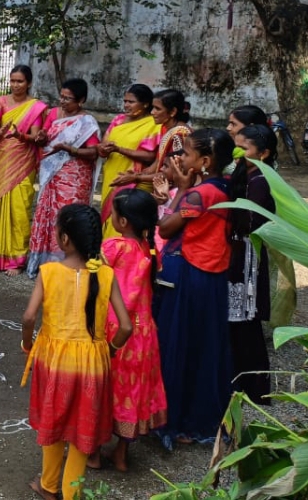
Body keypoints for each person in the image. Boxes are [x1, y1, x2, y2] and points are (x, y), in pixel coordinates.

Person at [20, 204, 132, 500]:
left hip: (54, 359)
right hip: (93, 361)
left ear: (65, 239)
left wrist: (27, 344)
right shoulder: (105, 274)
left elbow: (29, 317)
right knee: (83, 431)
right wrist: (107, 351)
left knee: (53, 420)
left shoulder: (50, 272)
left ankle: (48, 484)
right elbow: (126, 326)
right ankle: (72, 494)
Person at [153, 128, 233, 450]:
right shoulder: (222, 187)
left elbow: (166, 225)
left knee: (180, 343)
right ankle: (197, 418)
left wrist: (180, 190)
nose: (180, 158)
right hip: (212, 274)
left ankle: (182, 420)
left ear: (204, 161)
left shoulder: (199, 195)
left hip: (193, 274)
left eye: (185, 154)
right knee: (204, 346)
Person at [95, 189, 167, 472]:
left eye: (113, 213)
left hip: (115, 330)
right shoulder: (150, 250)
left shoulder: (113, 247)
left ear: (123, 221)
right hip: (144, 334)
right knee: (132, 391)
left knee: (105, 388)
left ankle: (94, 453)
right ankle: (121, 454)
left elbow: (94, 276)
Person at [25, 78, 100, 278]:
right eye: (62, 96)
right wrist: (41, 139)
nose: (63, 101)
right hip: (52, 175)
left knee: (69, 218)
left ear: (81, 100)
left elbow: (93, 153)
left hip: (74, 179)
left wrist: (69, 149)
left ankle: (68, 263)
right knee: (48, 216)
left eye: (69, 99)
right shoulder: (53, 114)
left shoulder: (87, 122)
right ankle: (45, 263)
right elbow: (45, 138)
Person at [228, 124, 279, 405]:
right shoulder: (243, 174)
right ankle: (239, 380)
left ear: (264, 153)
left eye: (244, 148)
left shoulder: (261, 181)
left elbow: (250, 220)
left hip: (247, 252)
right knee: (236, 322)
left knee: (247, 322)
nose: (238, 152)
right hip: (236, 248)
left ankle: (257, 387)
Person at [0, 65, 47, 274]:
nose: (15, 85)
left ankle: (16, 260)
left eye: (20, 81)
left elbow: (36, 137)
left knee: (19, 209)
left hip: (22, 160)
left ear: (28, 83)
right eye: (12, 81)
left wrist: (22, 136)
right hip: (1, 158)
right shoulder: (1, 102)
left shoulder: (35, 107)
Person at [97, 84, 161, 238]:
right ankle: (107, 251)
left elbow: (151, 156)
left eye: (131, 102)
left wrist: (119, 149)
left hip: (133, 178)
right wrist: (103, 149)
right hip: (112, 173)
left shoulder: (154, 125)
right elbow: (103, 144)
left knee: (126, 215)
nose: (126, 105)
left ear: (145, 104)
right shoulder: (118, 120)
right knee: (109, 213)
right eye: (125, 101)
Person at [110, 89, 191, 208]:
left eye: (158, 109)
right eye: (153, 108)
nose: (152, 112)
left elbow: (173, 174)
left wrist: (137, 177)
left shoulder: (179, 134)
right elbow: (158, 162)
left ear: (172, 111)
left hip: (172, 194)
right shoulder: (165, 127)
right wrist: (139, 173)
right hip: (160, 187)